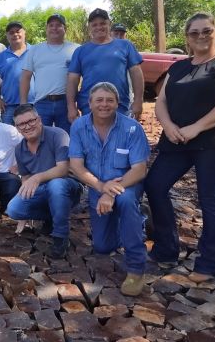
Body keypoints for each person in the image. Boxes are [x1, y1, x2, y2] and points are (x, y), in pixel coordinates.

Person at [145, 13, 215, 282]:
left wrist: (197, 127)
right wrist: (167, 125)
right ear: (187, 37)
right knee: (154, 186)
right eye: (194, 33)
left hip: (211, 142)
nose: (201, 36)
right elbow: (161, 101)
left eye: (207, 31)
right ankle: (166, 249)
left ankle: (208, 262)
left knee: (209, 199)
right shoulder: (178, 67)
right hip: (176, 139)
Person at [68, 82, 150, 296]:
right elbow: (76, 166)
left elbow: (140, 169)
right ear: (89, 103)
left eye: (109, 100)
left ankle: (136, 267)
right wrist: (102, 187)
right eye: (99, 100)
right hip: (98, 185)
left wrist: (111, 191)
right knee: (103, 247)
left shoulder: (132, 128)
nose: (104, 104)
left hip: (127, 184)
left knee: (124, 201)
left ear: (118, 103)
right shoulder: (78, 126)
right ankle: (136, 222)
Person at [6, 103, 82, 259]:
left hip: (68, 186)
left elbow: (63, 169)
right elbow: (26, 179)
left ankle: (61, 237)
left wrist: (37, 177)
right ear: (17, 128)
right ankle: (50, 217)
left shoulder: (58, 135)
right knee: (14, 209)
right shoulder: (19, 149)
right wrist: (25, 213)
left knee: (56, 185)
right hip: (43, 191)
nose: (27, 127)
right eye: (21, 124)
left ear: (39, 119)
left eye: (30, 121)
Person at [67, 8, 144, 123]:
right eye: (94, 25)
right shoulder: (80, 51)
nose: (99, 27)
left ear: (109, 24)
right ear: (89, 27)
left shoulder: (125, 46)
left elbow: (136, 73)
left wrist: (138, 100)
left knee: (119, 140)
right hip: (89, 106)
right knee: (92, 140)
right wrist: (71, 106)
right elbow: (72, 80)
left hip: (119, 105)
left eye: (103, 23)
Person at [20, 13, 79, 133]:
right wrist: (23, 104)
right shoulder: (34, 50)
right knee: (39, 139)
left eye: (58, 25)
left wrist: (75, 104)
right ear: (46, 29)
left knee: (66, 139)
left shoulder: (76, 49)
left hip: (66, 104)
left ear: (65, 29)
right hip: (41, 103)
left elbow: (82, 76)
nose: (54, 28)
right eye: (51, 25)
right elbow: (26, 77)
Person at [0, 21, 34, 124]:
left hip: (34, 104)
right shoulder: (2, 56)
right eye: (11, 32)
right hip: (9, 107)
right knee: (9, 138)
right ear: (7, 36)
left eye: (18, 31)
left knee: (34, 137)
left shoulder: (36, 51)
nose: (15, 34)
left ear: (24, 33)